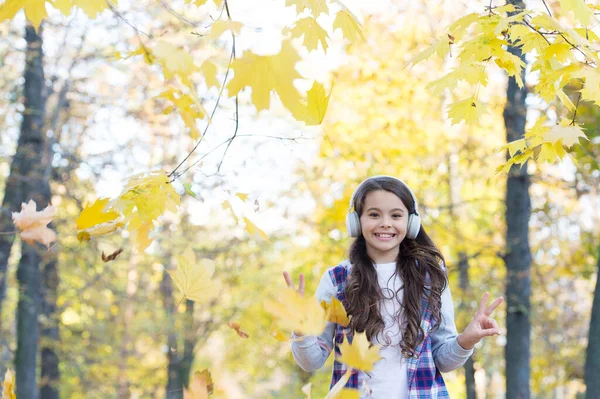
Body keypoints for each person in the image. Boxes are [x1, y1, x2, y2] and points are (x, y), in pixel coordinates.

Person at [283, 176, 503, 398]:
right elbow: (311, 362)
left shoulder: (430, 278)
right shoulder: (337, 280)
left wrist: (467, 339)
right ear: (356, 221)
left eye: (396, 215)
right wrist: (301, 330)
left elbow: (443, 361)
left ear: (410, 222)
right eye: (374, 214)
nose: (385, 223)